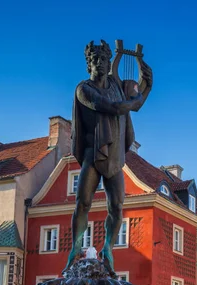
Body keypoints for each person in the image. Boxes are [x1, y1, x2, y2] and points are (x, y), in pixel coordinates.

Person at [63, 39, 152, 273]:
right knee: (82, 202)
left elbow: (138, 93)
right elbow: (111, 107)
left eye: (103, 59)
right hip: (93, 153)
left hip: (114, 156)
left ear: (108, 62)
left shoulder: (116, 84)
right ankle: (75, 248)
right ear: (88, 64)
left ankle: (109, 249)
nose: (100, 63)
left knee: (117, 205)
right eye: (95, 60)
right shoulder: (84, 89)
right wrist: (135, 101)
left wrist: (147, 80)